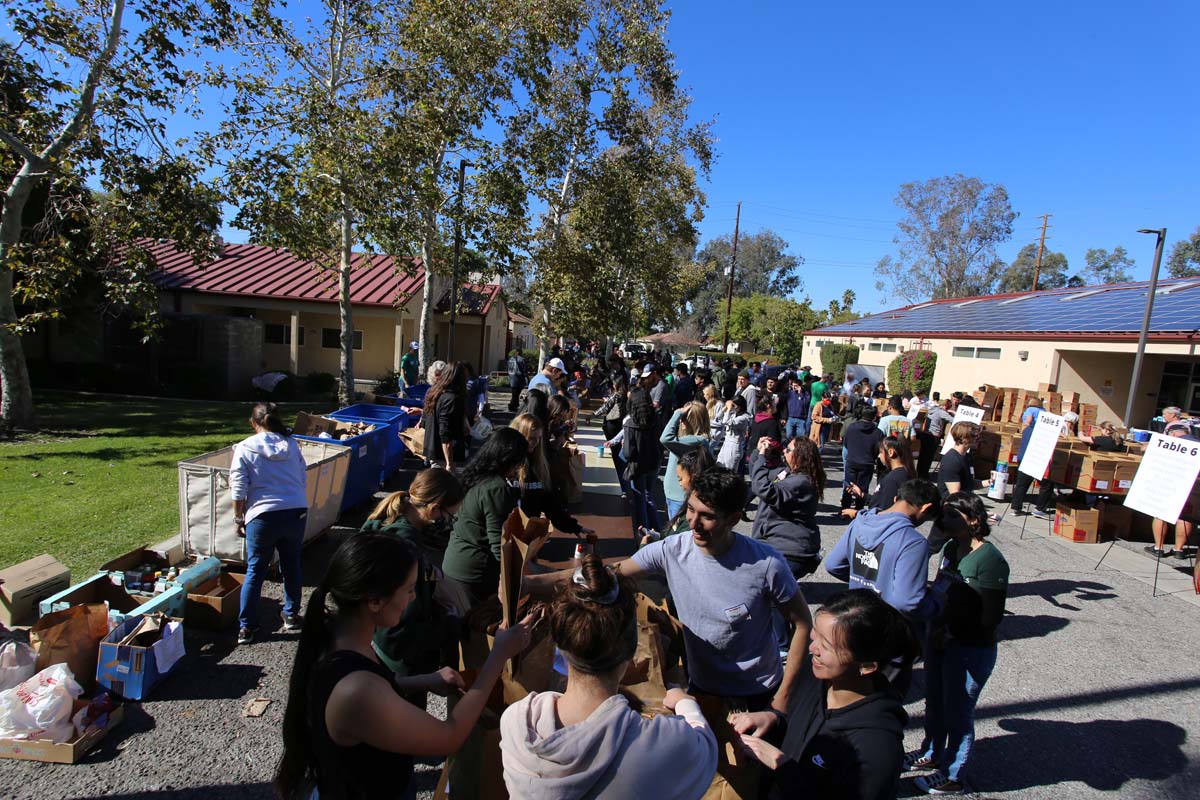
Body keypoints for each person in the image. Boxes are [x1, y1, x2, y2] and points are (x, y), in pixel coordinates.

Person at [526, 468, 814, 712]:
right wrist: (527, 584)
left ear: (733, 519)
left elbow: (802, 623)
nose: (694, 524)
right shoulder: (672, 550)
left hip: (758, 694)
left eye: (707, 516)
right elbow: (603, 575)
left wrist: (782, 701)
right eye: (691, 509)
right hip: (701, 687)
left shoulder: (767, 564)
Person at [273, 533, 534, 800]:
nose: (413, 597)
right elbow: (450, 736)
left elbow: (378, 685)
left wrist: (421, 680)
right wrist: (498, 655)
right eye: (409, 589)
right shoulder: (357, 690)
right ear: (374, 601)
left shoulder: (340, 638)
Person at [499, 554, 718, 799]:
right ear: (632, 649)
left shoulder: (516, 722)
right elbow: (706, 746)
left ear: (559, 643)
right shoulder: (666, 745)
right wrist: (685, 703)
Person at [731, 590, 921, 800]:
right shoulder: (815, 674)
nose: (813, 648)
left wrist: (781, 764)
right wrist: (773, 718)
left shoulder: (878, 748)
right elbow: (794, 719)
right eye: (815, 636)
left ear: (867, 666)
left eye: (826, 646)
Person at [908, 492, 1010, 796]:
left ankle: (953, 775)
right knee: (935, 702)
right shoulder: (951, 548)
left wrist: (951, 632)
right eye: (944, 514)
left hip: (969, 649)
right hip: (940, 639)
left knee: (958, 712)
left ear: (974, 520)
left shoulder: (990, 561)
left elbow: (990, 618)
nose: (944, 520)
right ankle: (932, 752)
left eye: (953, 515)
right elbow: (941, 590)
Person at [361, 470, 464, 685]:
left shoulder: (387, 523)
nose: (448, 522)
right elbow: (403, 628)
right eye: (450, 516)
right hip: (404, 659)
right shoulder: (406, 547)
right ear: (434, 509)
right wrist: (449, 623)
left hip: (379, 643)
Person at [231, 402, 309, 645]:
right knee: (291, 563)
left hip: (262, 515)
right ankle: (291, 614)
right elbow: (302, 475)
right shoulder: (291, 444)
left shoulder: (245, 447)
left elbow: (238, 488)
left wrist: (239, 517)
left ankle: (247, 626)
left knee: (256, 569)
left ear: (253, 423)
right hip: (295, 510)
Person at [823, 479, 943, 623]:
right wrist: (937, 603)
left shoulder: (858, 524)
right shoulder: (913, 542)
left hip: (857, 615)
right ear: (926, 508)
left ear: (896, 499)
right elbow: (906, 602)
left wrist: (866, 581)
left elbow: (833, 565)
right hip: (887, 623)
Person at [440, 428, 528, 615]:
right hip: (475, 574)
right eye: (519, 462)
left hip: (454, 564)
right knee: (477, 626)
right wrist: (516, 577)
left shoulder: (474, 477)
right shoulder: (497, 489)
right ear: (510, 460)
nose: (519, 468)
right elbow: (499, 543)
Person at [750, 435, 825, 580]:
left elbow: (764, 489)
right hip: (777, 544)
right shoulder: (788, 473)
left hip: (790, 552)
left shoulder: (801, 482)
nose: (784, 451)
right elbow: (758, 476)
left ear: (800, 456)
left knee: (762, 588)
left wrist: (762, 456)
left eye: (788, 450)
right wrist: (758, 452)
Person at [510, 414, 592, 536]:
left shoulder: (540, 465)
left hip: (529, 530)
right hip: (504, 530)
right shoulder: (507, 464)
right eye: (531, 438)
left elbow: (551, 503)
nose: (535, 443)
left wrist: (573, 526)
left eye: (538, 438)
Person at [1144, 423, 1198, 559]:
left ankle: (1158, 547)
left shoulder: (1172, 443)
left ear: (1172, 433)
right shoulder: (1197, 444)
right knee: (1185, 517)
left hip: (1171, 481)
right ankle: (1178, 550)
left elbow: (1146, 449)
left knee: (1160, 513)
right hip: (1193, 485)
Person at [641, 447, 717, 543]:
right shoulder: (689, 507)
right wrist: (658, 537)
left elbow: (677, 547)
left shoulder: (690, 519)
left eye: (680, 479)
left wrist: (645, 545)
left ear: (694, 476)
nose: (679, 483)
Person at [623, 365, 664, 533]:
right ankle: (658, 529)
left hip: (638, 464)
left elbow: (627, 452)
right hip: (654, 461)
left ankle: (644, 531)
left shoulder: (630, 423)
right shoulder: (655, 418)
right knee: (649, 495)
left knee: (640, 498)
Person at [660, 401, 711, 521]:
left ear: (694, 421)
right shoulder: (687, 440)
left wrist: (677, 414)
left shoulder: (697, 441)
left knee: (677, 529)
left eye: (684, 418)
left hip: (679, 497)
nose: (680, 421)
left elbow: (665, 439)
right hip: (675, 495)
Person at [844, 436, 916, 520]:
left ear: (891, 452)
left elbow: (884, 513)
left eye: (881, 452)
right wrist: (862, 495)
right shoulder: (903, 473)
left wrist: (857, 514)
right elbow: (881, 499)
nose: (879, 456)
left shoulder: (892, 480)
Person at [422, 362, 469, 471]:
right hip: (443, 455)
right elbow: (445, 432)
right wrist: (449, 462)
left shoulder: (433, 392)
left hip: (433, 450)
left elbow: (426, 420)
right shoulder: (452, 398)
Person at [841, 405, 885, 508]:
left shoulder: (852, 427)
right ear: (874, 417)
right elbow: (879, 449)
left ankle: (844, 508)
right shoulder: (878, 433)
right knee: (863, 488)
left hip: (852, 460)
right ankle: (859, 509)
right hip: (867, 463)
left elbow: (846, 443)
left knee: (848, 486)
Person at [593, 375, 630, 497]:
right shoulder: (627, 395)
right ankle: (619, 474)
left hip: (612, 423)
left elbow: (606, 407)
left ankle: (615, 476)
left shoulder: (616, 395)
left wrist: (594, 414)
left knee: (612, 449)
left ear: (617, 384)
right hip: (621, 423)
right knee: (617, 448)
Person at [714, 395, 752, 470]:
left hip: (734, 446)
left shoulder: (744, 418)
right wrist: (725, 408)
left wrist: (728, 409)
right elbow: (717, 418)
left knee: (730, 471)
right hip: (726, 443)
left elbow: (726, 422)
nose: (732, 407)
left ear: (740, 406)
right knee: (719, 467)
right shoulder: (734, 414)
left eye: (734, 405)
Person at [746, 396, 784, 469]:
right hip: (767, 459)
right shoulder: (772, 423)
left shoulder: (755, 418)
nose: (776, 406)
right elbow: (774, 442)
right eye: (774, 404)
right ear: (768, 406)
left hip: (752, 454)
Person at [784, 375, 811, 441]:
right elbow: (785, 405)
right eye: (792, 385)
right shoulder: (790, 393)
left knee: (800, 437)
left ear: (800, 386)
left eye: (795, 386)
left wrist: (800, 394)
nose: (793, 387)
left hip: (801, 419)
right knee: (788, 435)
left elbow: (805, 404)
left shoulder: (806, 394)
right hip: (790, 418)